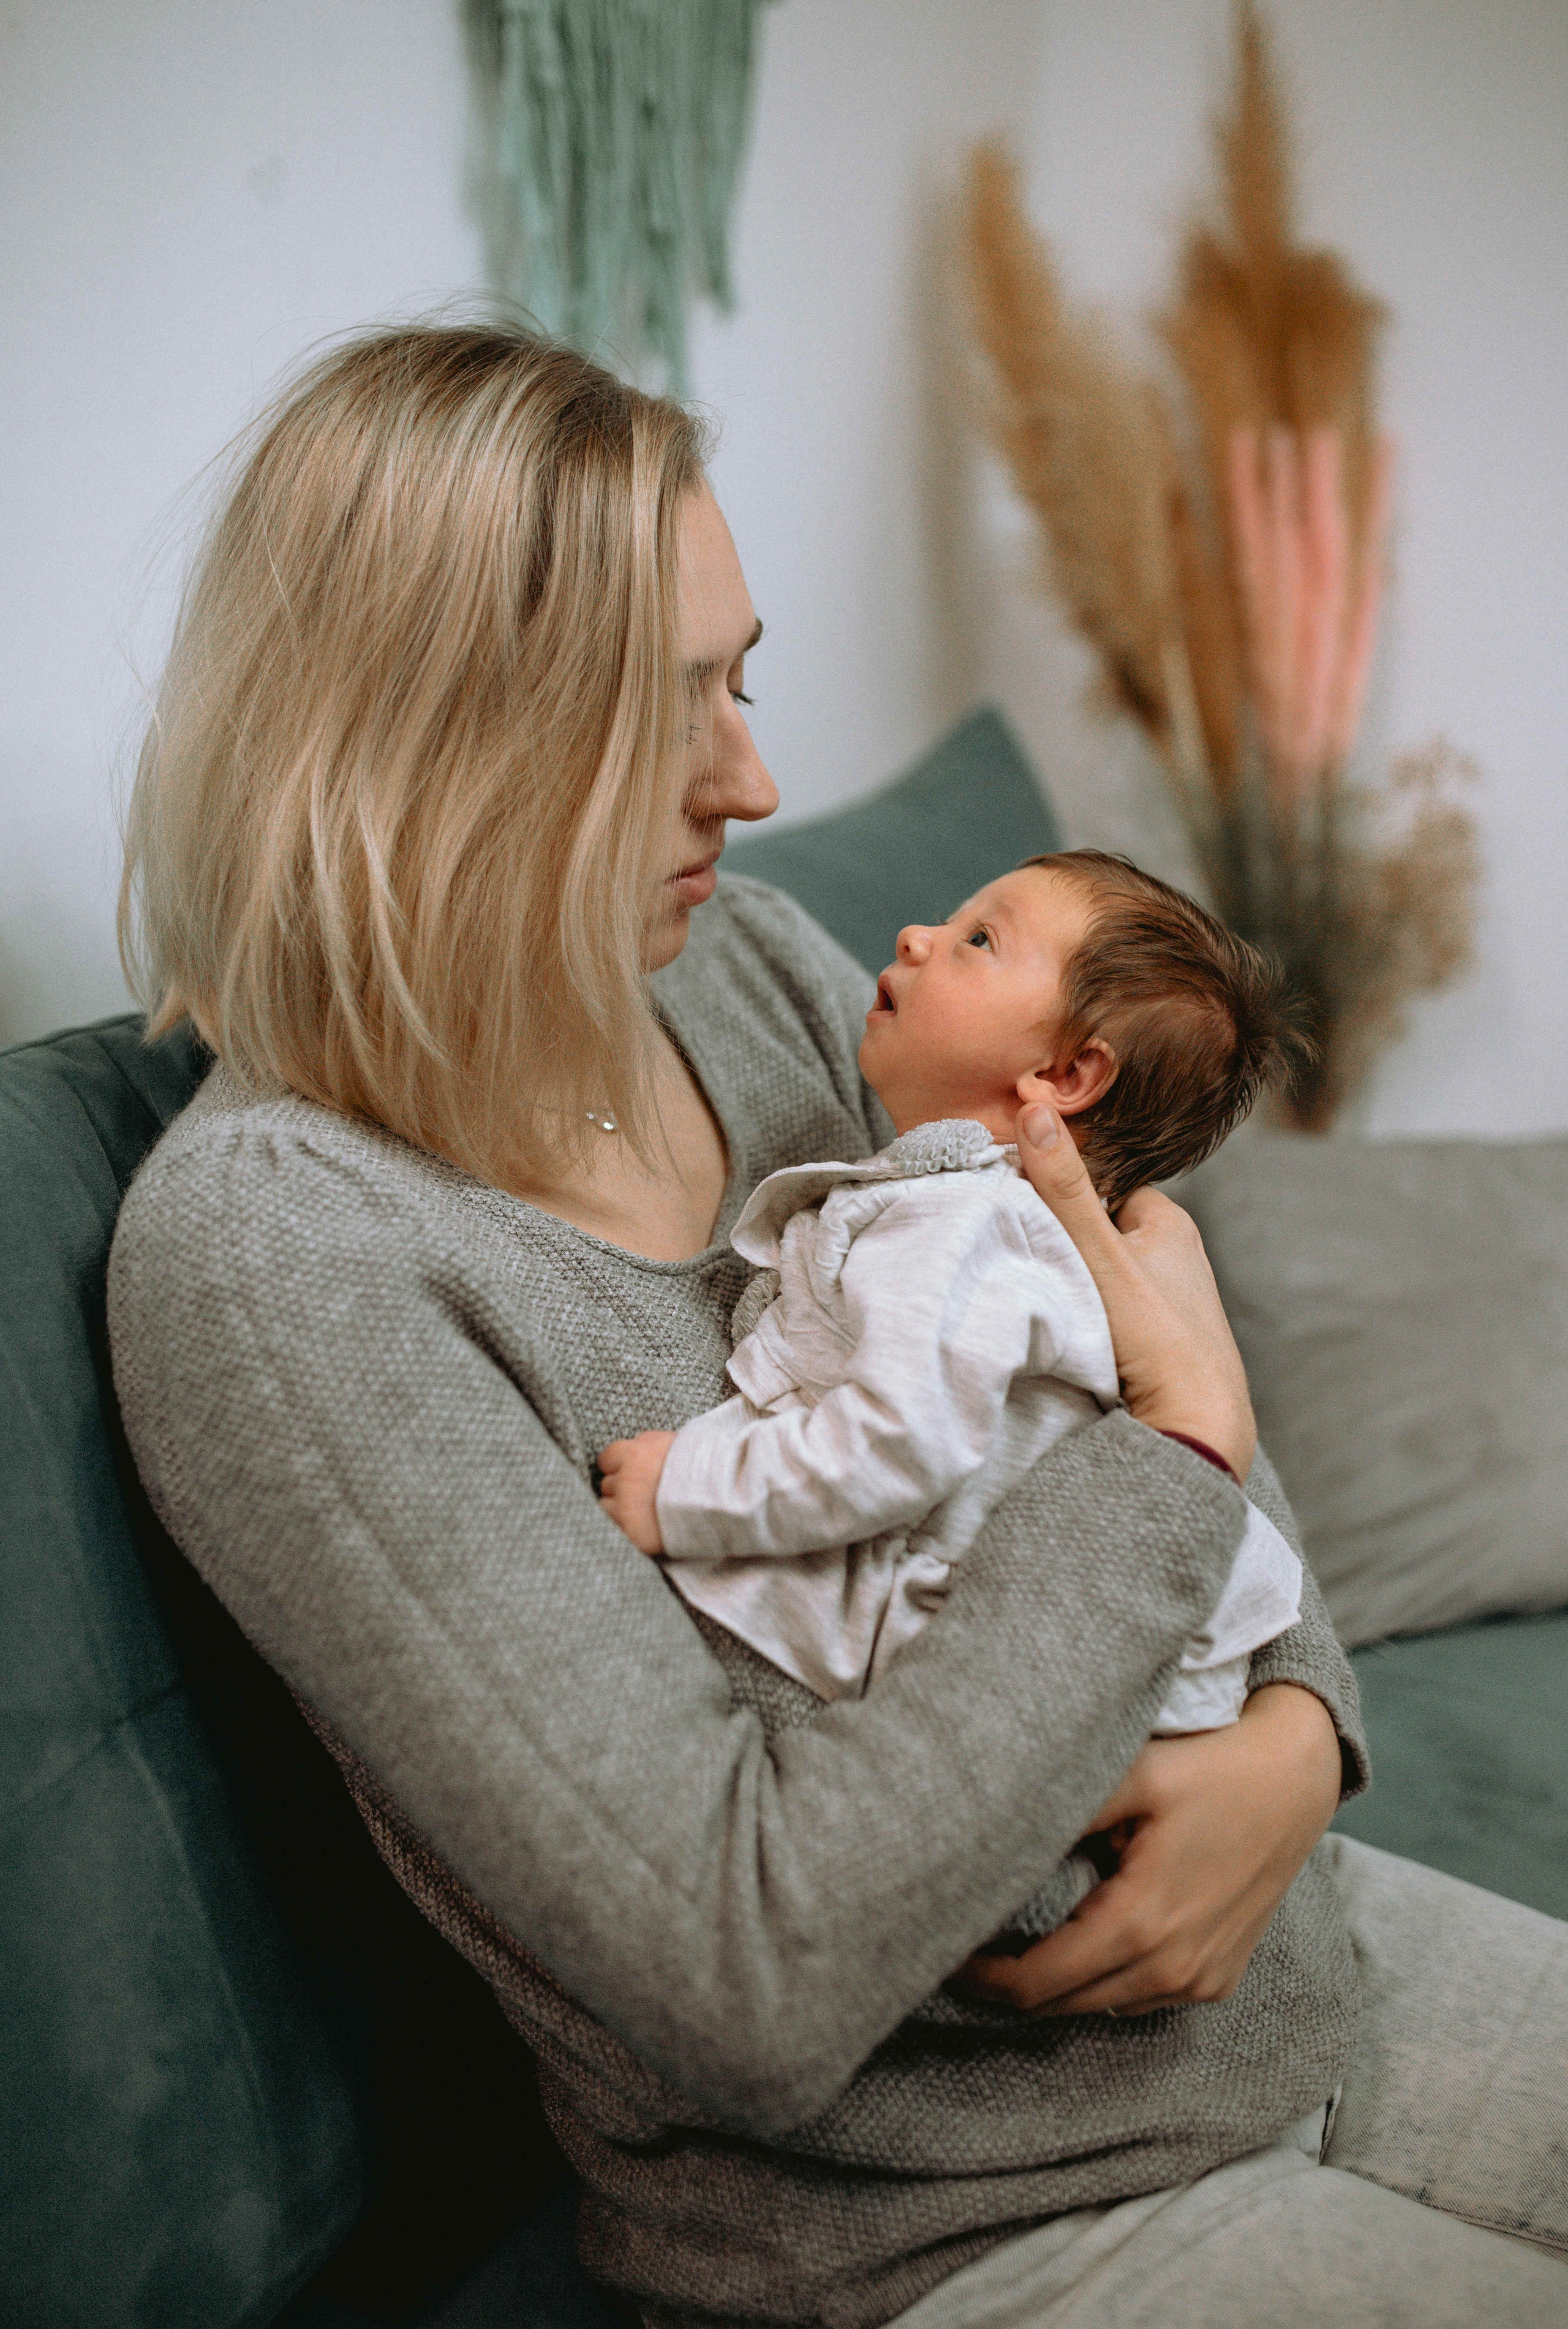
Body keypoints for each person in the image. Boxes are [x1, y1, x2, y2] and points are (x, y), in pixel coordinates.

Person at [107, 322, 1568, 2329]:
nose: (761, 781)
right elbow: (751, 1967)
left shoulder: (756, 971)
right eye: (668, 711)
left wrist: (1307, 1729)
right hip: (957, 2224)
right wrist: (1176, 1463)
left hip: (1298, 1960)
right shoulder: (284, 1260)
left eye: (747, 677)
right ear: (428, 736)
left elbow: (1118, 1321)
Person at [595, 855, 1306, 1781]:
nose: (915, 937)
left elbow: (899, 1438)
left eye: (979, 939)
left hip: (1087, 1676)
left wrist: (692, 1489)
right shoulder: (980, 1215)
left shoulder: (963, 1225)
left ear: (1067, 1073)